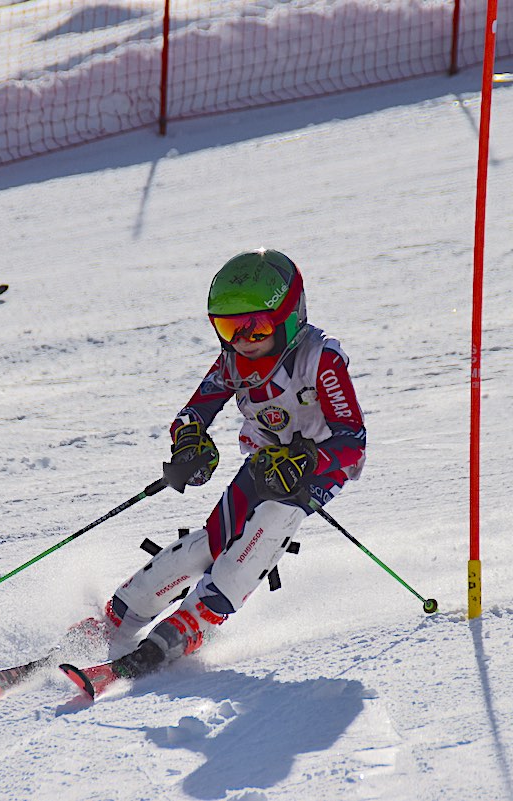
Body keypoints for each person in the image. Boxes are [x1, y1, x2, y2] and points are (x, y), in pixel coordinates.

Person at [102, 248, 367, 676]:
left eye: (256, 325)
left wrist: (307, 459)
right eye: (229, 327)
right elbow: (194, 411)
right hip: (266, 461)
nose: (243, 338)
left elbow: (353, 440)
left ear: (290, 316)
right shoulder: (233, 361)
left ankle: (194, 623)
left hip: (320, 466)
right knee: (213, 541)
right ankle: (122, 615)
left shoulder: (321, 359)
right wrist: (189, 442)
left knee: (270, 525)